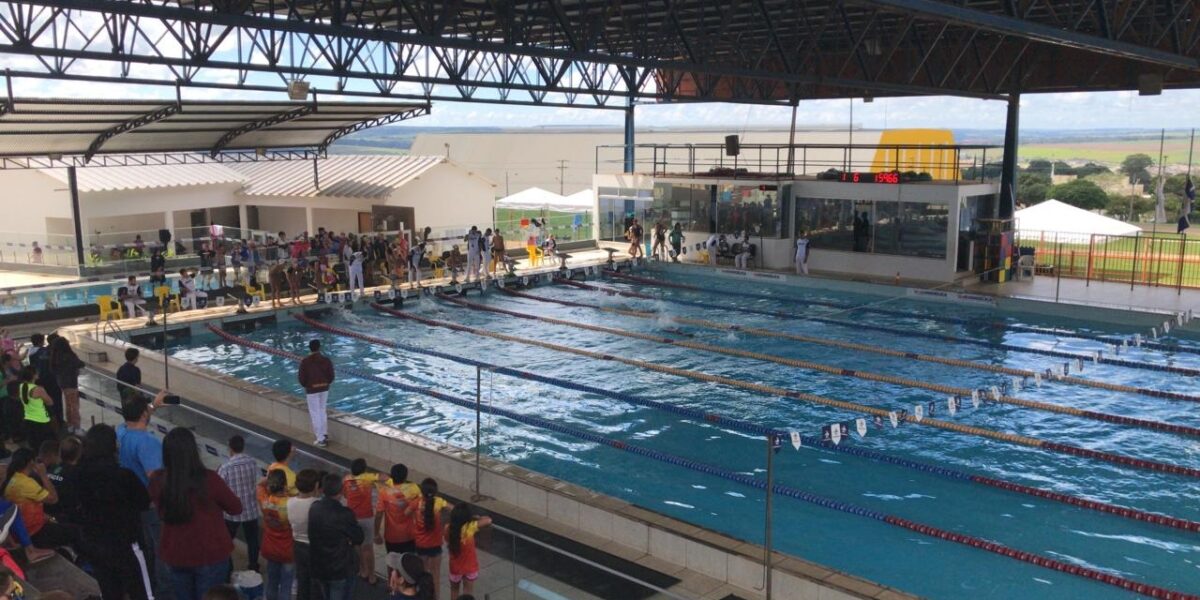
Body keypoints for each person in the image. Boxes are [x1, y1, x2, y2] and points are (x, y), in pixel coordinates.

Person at [149, 427, 243, 600]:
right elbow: (236, 508)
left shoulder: (157, 480)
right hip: (210, 553)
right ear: (194, 451)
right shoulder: (209, 479)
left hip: (175, 553)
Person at [71, 424, 154, 600]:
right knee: (141, 591)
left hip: (94, 544)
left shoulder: (79, 474)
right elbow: (144, 502)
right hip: (127, 544)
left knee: (110, 592)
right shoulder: (124, 476)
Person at [118, 390, 173, 600]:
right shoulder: (148, 443)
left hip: (133, 503)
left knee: (148, 548)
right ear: (143, 414)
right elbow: (156, 478)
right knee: (162, 551)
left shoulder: (121, 432)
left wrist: (154, 405)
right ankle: (164, 593)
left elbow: (132, 419)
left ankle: (150, 583)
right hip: (152, 505)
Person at [2, 448, 76, 549]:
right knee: (75, 532)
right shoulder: (26, 483)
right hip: (33, 532)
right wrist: (43, 474)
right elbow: (53, 499)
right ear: (31, 462)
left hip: (20, 528)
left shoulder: (13, 479)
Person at [309, 473, 364, 600]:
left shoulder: (314, 507)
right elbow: (358, 537)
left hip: (319, 565)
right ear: (341, 491)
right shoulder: (344, 513)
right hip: (338, 567)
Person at [217, 435, 261, 573]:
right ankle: (254, 566)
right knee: (253, 540)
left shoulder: (226, 467)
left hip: (232, 512)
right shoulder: (252, 462)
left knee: (227, 541)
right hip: (251, 510)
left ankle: (228, 569)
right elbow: (257, 481)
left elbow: (220, 488)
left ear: (230, 448)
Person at [406, 478, 449, 597]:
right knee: (436, 575)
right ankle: (436, 597)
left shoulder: (417, 503)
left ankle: (424, 596)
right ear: (435, 492)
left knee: (423, 574)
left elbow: (406, 513)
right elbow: (453, 509)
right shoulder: (439, 502)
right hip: (435, 544)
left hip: (421, 544)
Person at [343, 458, 383, 584]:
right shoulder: (367, 478)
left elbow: (345, 495)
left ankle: (362, 570)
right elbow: (383, 477)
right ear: (364, 469)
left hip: (352, 517)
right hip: (366, 516)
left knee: (356, 545)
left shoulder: (346, 480)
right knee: (368, 547)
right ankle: (371, 576)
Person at [257, 470, 294, 600]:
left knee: (271, 583)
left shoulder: (264, 500)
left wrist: (268, 480)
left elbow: (260, 486)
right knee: (286, 585)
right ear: (285, 485)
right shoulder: (291, 503)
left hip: (270, 548)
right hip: (288, 551)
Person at [287, 469, 322, 600]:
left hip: (297, 545)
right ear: (316, 486)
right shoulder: (317, 505)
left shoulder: (289, 502)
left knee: (302, 579)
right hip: (314, 547)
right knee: (316, 582)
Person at [445, 503, 492, 599]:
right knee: (468, 593)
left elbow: (446, 539)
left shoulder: (448, 528)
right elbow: (488, 520)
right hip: (469, 567)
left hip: (455, 567)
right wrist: (475, 517)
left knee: (454, 591)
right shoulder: (470, 528)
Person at [374, 463, 419, 561]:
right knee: (409, 565)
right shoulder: (413, 488)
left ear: (392, 476)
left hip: (391, 537)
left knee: (392, 565)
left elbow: (378, 515)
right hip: (409, 535)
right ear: (406, 477)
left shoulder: (384, 492)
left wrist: (376, 533)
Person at [298, 340, 334, 448]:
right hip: (324, 388)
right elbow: (331, 375)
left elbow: (302, 378)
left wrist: (308, 385)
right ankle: (324, 434)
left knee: (315, 413)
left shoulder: (305, 361)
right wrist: (326, 383)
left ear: (310, 348)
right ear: (319, 348)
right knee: (322, 410)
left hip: (312, 390)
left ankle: (320, 439)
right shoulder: (326, 360)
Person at [49, 336, 85, 435]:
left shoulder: (55, 357)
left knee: (68, 405)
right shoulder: (69, 356)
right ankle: (77, 427)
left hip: (62, 383)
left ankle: (70, 425)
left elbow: (53, 370)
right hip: (71, 383)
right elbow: (80, 364)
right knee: (75, 406)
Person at [16, 366, 54, 452]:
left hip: (28, 419)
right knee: (45, 445)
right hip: (41, 420)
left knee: (35, 445)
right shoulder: (38, 389)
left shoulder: (21, 386)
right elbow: (50, 402)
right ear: (33, 375)